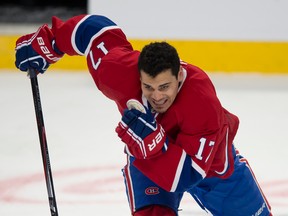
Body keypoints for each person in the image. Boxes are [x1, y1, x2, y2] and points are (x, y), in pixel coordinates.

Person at [15, 14, 272, 215]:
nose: (156, 96)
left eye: (164, 87)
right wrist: (51, 42)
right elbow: (94, 31)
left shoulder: (201, 102)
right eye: (148, 87)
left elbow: (187, 177)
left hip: (213, 167)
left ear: (179, 76)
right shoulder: (118, 73)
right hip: (150, 163)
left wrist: (154, 146)